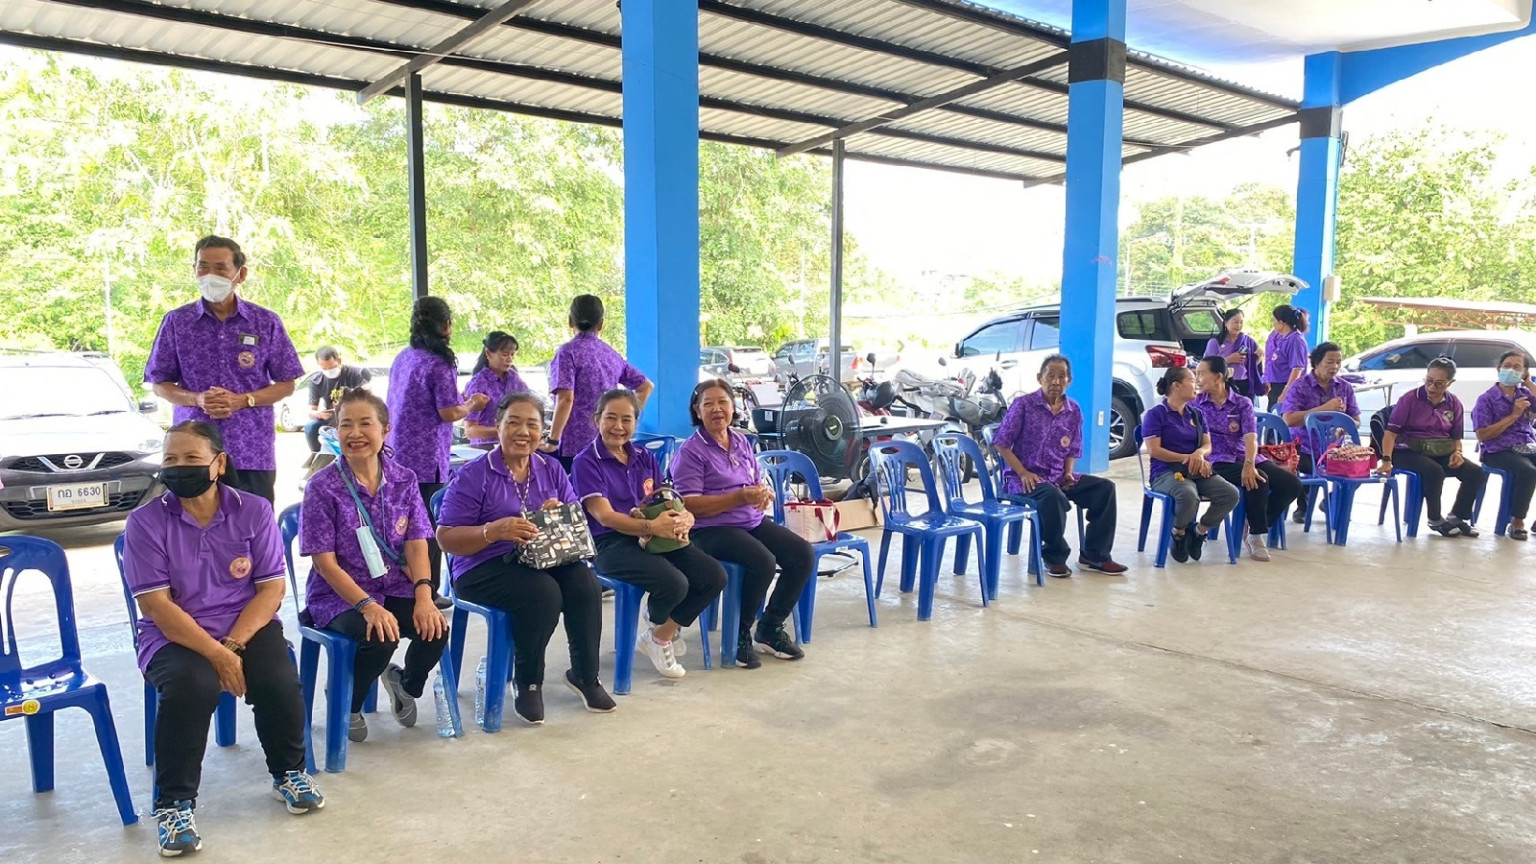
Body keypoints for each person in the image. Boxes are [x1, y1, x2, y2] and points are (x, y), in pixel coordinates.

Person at [122, 421, 324, 857]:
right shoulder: (145, 522)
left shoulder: (253, 510)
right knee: (191, 685)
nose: (179, 467)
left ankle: (289, 772)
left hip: (244, 624)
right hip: (173, 633)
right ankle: (174, 805)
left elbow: (270, 590)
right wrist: (217, 654)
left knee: (275, 676)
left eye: (192, 458)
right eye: (171, 459)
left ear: (218, 463)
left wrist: (230, 647)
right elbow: (156, 606)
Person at [437, 392, 615, 723]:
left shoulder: (550, 468)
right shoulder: (474, 474)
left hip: (541, 556)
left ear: (542, 429)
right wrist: (493, 531)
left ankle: (585, 676)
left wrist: (557, 514)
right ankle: (528, 680)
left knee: (585, 583)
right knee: (542, 593)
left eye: (532, 424)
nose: (523, 432)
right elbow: (445, 538)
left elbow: (574, 516)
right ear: (498, 426)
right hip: (481, 564)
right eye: (514, 423)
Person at [299, 389, 449, 743]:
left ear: (385, 430)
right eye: (345, 425)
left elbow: (417, 543)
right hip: (339, 595)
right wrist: (367, 606)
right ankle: (347, 702)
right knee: (380, 636)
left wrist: (424, 596)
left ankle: (405, 685)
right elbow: (324, 563)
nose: (355, 433)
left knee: (436, 628)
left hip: (393, 584)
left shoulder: (404, 479)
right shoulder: (322, 486)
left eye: (365, 424)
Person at [573, 389, 727, 680]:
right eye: (611, 418)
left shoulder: (643, 456)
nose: (618, 426)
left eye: (627, 419)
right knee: (675, 583)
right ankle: (660, 622)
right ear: (596, 420)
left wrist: (685, 516)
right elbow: (605, 516)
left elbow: (663, 498)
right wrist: (652, 528)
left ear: (636, 422)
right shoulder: (587, 461)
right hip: (608, 542)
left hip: (652, 537)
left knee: (713, 576)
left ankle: (659, 634)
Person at [145, 235, 304, 504]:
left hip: (251, 451)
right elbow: (160, 383)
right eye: (203, 267)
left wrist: (243, 400)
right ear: (194, 270)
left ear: (240, 274)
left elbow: (287, 383)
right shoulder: (177, 322)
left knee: (253, 523)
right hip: (192, 454)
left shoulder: (265, 322)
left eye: (220, 268)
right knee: (192, 524)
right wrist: (197, 399)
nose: (211, 275)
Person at [672, 379, 812, 668]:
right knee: (762, 561)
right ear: (697, 411)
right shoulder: (691, 451)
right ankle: (739, 634)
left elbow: (755, 479)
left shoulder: (740, 441)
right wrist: (739, 497)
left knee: (802, 554)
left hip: (750, 521)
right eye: (708, 404)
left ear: (733, 407)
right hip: (709, 529)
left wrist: (763, 492)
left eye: (723, 402)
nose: (717, 409)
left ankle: (770, 628)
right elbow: (689, 503)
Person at [386, 297, 490, 605]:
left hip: (395, 452)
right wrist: (472, 404)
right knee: (426, 527)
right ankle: (426, 591)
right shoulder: (439, 362)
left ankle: (403, 589)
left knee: (400, 524)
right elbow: (448, 412)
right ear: (446, 325)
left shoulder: (404, 357)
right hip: (426, 458)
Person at [993, 354, 1127, 577]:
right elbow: (1001, 443)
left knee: (1105, 489)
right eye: (1050, 376)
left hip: (1056, 476)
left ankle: (1095, 555)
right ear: (1040, 378)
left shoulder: (1073, 411)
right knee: (1052, 496)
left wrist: (1068, 473)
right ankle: (1054, 556)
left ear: (1069, 381)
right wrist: (1023, 472)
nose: (1056, 381)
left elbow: (1072, 449)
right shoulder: (1023, 405)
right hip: (1023, 479)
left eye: (1061, 376)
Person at [1193, 356, 1301, 561]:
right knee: (1259, 480)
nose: (1196, 378)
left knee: (1291, 484)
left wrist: (1249, 463)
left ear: (1218, 377)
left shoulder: (1242, 403)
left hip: (1244, 455)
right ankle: (1256, 536)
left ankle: (1253, 522)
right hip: (1215, 459)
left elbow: (1251, 437)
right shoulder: (1196, 404)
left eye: (1201, 374)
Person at [1142, 366, 1241, 563]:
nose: (1197, 384)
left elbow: (1207, 445)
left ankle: (1198, 532)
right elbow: (1154, 450)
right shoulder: (1156, 414)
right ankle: (1178, 533)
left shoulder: (1197, 414)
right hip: (1165, 472)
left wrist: (1199, 454)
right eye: (1192, 380)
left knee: (1230, 494)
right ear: (1176, 386)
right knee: (1188, 494)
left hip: (1196, 470)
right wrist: (1187, 458)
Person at [545, 294, 654, 471]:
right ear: (601, 324)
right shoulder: (610, 354)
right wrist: (626, 418)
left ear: (570, 321)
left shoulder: (567, 352)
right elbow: (646, 386)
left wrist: (553, 440)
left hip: (574, 446)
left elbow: (565, 399)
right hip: (607, 442)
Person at [1378, 357, 1484, 537]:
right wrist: (1386, 460)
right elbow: (1390, 433)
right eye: (1429, 380)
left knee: (1476, 472)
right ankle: (1435, 519)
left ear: (1450, 383)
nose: (1432, 387)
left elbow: (1456, 437)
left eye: (1439, 383)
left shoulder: (1454, 403)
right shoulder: (1410, 399)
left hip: (1440, 450)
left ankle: (1457, 517)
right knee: (1434, 471)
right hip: (1407, 451)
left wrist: (1457, 453)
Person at [1279, 341, 1360, 523]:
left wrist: (1345, 425)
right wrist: (1324, 409)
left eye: (1338, 362)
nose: (1335, 367)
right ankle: (1304, 506)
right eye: (1330, 362)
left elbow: (1356, 420)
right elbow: (1289, 419)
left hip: (1334, 449)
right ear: (1316, 363)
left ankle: (1330, 501)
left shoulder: (1344, 387)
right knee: (1306, 467)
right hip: (1303, 447)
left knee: (1358, 469)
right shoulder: (1300, 386)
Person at [1472, 350, 1536, 541]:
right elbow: (1483, 435)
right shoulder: (1486, 399)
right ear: (1499, 369)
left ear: (1524, 372)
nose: (1511, 370)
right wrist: (1514, 415)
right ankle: (1517, 521)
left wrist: (1529, 383)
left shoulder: (1525, 394)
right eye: (1507, 366)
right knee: (1528, 471)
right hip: (1497, 450)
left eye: (1517, 367)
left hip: (1526, 446)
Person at [462, 331, 529, 447]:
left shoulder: (514, 378)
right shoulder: (478, 383)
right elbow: (470, 430)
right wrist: (504, 431)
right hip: (486, 448)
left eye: (512, 354)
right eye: (505, 354)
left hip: (514, 445)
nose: (510, 359)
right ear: (488, 354)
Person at [303, 346, 372, 453]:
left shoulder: (354, 373)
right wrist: (319, 414)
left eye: (332, 367)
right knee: (310, 426)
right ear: (318, 365)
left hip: (355, 416)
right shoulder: (316, 381)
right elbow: (311, 410)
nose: (329, 371)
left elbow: (368, 393)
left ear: (338, 361)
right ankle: (318, 456)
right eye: (324, 369)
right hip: (332, 418)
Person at [1203, 308, 1265, 400]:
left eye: (1241, 322)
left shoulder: (1249, 342)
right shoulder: (1214, 343)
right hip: (1223, 384)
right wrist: (1228, 360)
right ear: (1226, 323)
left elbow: (1253, 366)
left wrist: (1258, 359)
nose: (1238, 325)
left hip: (1245, 384)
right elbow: (1207, 366)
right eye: (1235, 322)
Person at [1262, 304, 1309, 411]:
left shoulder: (1295, 340)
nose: (1273, 324)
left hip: (1286, 387)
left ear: (1281, 323)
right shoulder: (1283, 339)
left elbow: (1297, 369)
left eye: (1274, 320)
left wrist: (1285, 392)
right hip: (1276, 386)